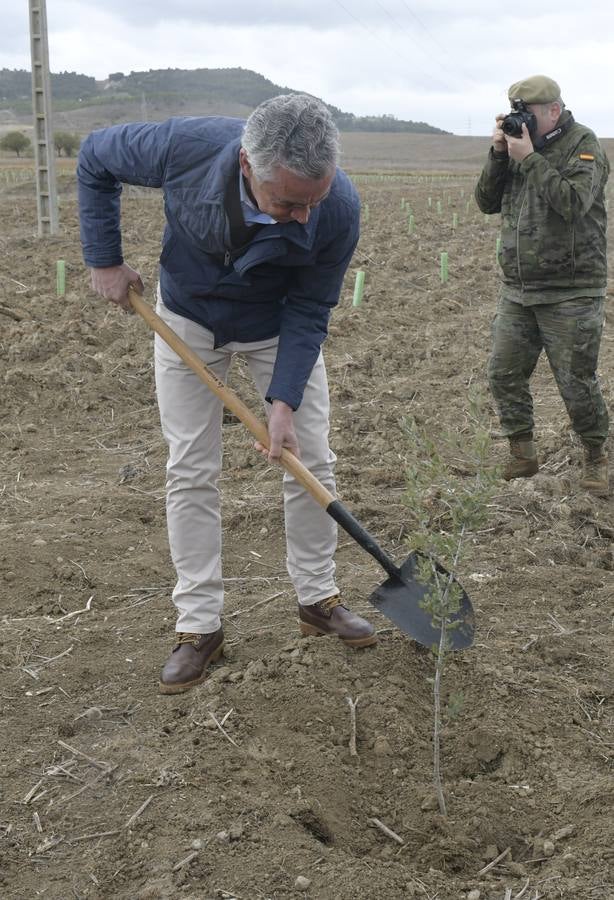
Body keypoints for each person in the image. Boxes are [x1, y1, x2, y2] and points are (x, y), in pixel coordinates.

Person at [77, 93, 377, 695]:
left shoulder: (337, 207)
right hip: (188, 315)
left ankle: (318, 599)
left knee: (310, 457)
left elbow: (313, 306)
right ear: (247, 165)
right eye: (289, 202)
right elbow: (94, 159)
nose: (302, 216)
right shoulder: (184, 148)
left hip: (275, 325)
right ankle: (199, 628)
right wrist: (104, 259)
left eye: (312, 201)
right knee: (191, 466)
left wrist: (283, 401)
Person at [475, 75, 610, 494]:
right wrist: (500, 154)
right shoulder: (516, 146)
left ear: (553, 110)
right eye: (515, 114)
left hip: (571, 289)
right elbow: (486, 202)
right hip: (519, 288)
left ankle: (596, 459)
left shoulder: (583, 144)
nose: (521, 122)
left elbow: (572, 203)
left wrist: (530, 157)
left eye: (527, 114)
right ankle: (522, 453)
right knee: (504, 374)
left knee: (576, 380)